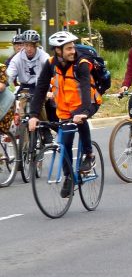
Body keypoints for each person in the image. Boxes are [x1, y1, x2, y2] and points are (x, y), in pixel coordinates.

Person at [27, 31, 101, 197]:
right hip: (65, 108)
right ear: (58, 50)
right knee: (64, 142)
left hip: (88, 102)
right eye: (68, 48)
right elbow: (40, 90)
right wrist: (33, 115)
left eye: (73, 47)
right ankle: (69, 176)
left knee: (80, 121)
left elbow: (85, 89)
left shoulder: (81, 63)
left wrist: (83, 112)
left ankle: (89, 155)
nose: (72, 51)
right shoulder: (51, 63)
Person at [6, 30, 54, 143]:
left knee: (39, 102)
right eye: (26, 45)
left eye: (32, 45)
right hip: (25, 86)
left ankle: (45, 129)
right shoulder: (17, 58)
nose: (29, 48)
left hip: (41, 86)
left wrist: (51, 89)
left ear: (36, 45)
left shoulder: (44, 56)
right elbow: (9, 75)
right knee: (21, 106)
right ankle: (24, 135)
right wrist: (4, 85)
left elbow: (52, 74)